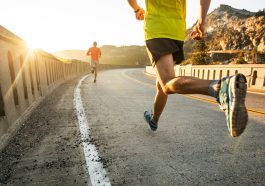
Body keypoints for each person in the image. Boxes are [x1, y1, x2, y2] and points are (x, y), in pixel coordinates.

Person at [127, 0, 248, 137]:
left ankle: (220, 87)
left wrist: (136, 9)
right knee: (161, 84)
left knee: (167, 83)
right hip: (177, 32)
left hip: (157, 28)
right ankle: (154, 120)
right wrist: (201, 22)